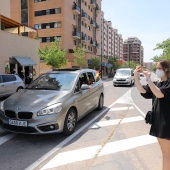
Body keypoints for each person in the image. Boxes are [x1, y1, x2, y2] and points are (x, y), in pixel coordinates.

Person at [134, 59, 170, 170]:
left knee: (166, 154)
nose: (157, 70)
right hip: (159, 123)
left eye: (159, 68)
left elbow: (159, 94)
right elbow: (143, 91)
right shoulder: (158, 83)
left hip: (166, 124)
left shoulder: (168, 84)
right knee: (165, 152)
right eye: (156, 68)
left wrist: (148, 79)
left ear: (166, 69)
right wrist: (136, 76)